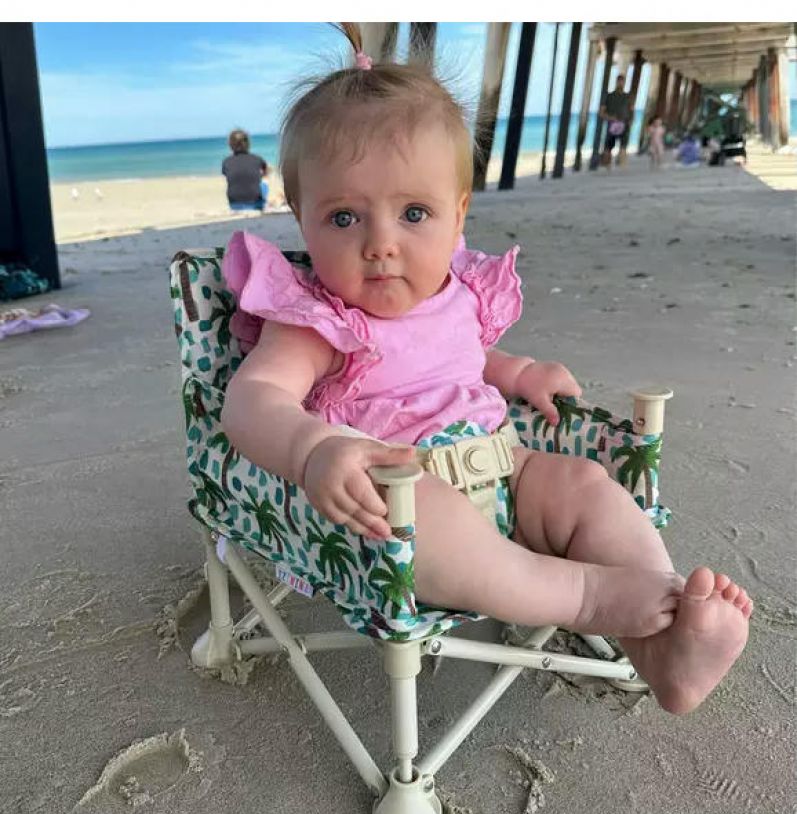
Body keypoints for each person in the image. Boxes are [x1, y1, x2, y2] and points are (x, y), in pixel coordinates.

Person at [220, 23, 751, 716]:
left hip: (503, 468)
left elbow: (467, 359)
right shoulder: (316, 320)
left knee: (583, 485)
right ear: (301, 219)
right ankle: (586, 597)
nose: (381, 244)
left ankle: (666, 630)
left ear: (458, 215)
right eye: (344, 218)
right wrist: (311, 449)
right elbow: (252, 399)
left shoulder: (461, 295)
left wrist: (519, 372)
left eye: (414, 213)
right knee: (435, 524)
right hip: (395, 510)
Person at [222, 129, 269, 212]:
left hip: (234, 204)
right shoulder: (257, 159)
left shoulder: (226, 161)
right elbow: (266, 171)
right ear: (248, 144)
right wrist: (259, 176)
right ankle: (263, 202)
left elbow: (226, 174)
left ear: (230, 145)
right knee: (264, 181)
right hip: (256, 203)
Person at [599, 74, 632, 168]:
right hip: (612, 123)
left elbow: (631, 110)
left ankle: (621, 164)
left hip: (624, 123)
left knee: (623, 145)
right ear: (616, 82)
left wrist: (630, 121)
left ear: (624, 83)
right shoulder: (609, 96)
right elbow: (601, 112)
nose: (620, 83)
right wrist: (610, 118)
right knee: (609, 145)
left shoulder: (627, 97)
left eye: (622, 82)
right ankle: (607, 164)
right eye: (619, 81)